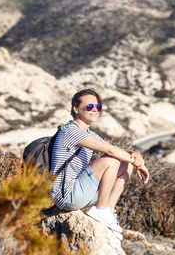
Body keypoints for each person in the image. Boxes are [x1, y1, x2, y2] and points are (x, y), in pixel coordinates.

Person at [50, 88, 149, 240]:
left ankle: (107, 212)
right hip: (65, 195)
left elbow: (115, 149)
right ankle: (100, 210)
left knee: (125, 164)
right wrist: (140, 165)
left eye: (98, 107)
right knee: (111, 160)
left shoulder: (88, 133)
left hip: (80, 192)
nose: (95, 110)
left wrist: (133, 155)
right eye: (89, 107)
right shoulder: (71, 131)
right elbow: (110, 151)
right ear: (76, 109)